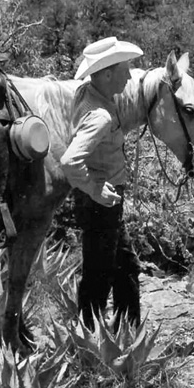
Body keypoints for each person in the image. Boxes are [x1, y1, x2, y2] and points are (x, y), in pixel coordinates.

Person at [60, 37, 144, 330]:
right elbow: (70, 161)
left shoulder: (87, 91)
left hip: (98, 202)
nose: (130, 76)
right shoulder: (101, 116)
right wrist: (95, 187)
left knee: (125, 267)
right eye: (125, 70)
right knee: (99, 274)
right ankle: (91, 339)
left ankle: (126, 330)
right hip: (100, 203)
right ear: (107, 74)